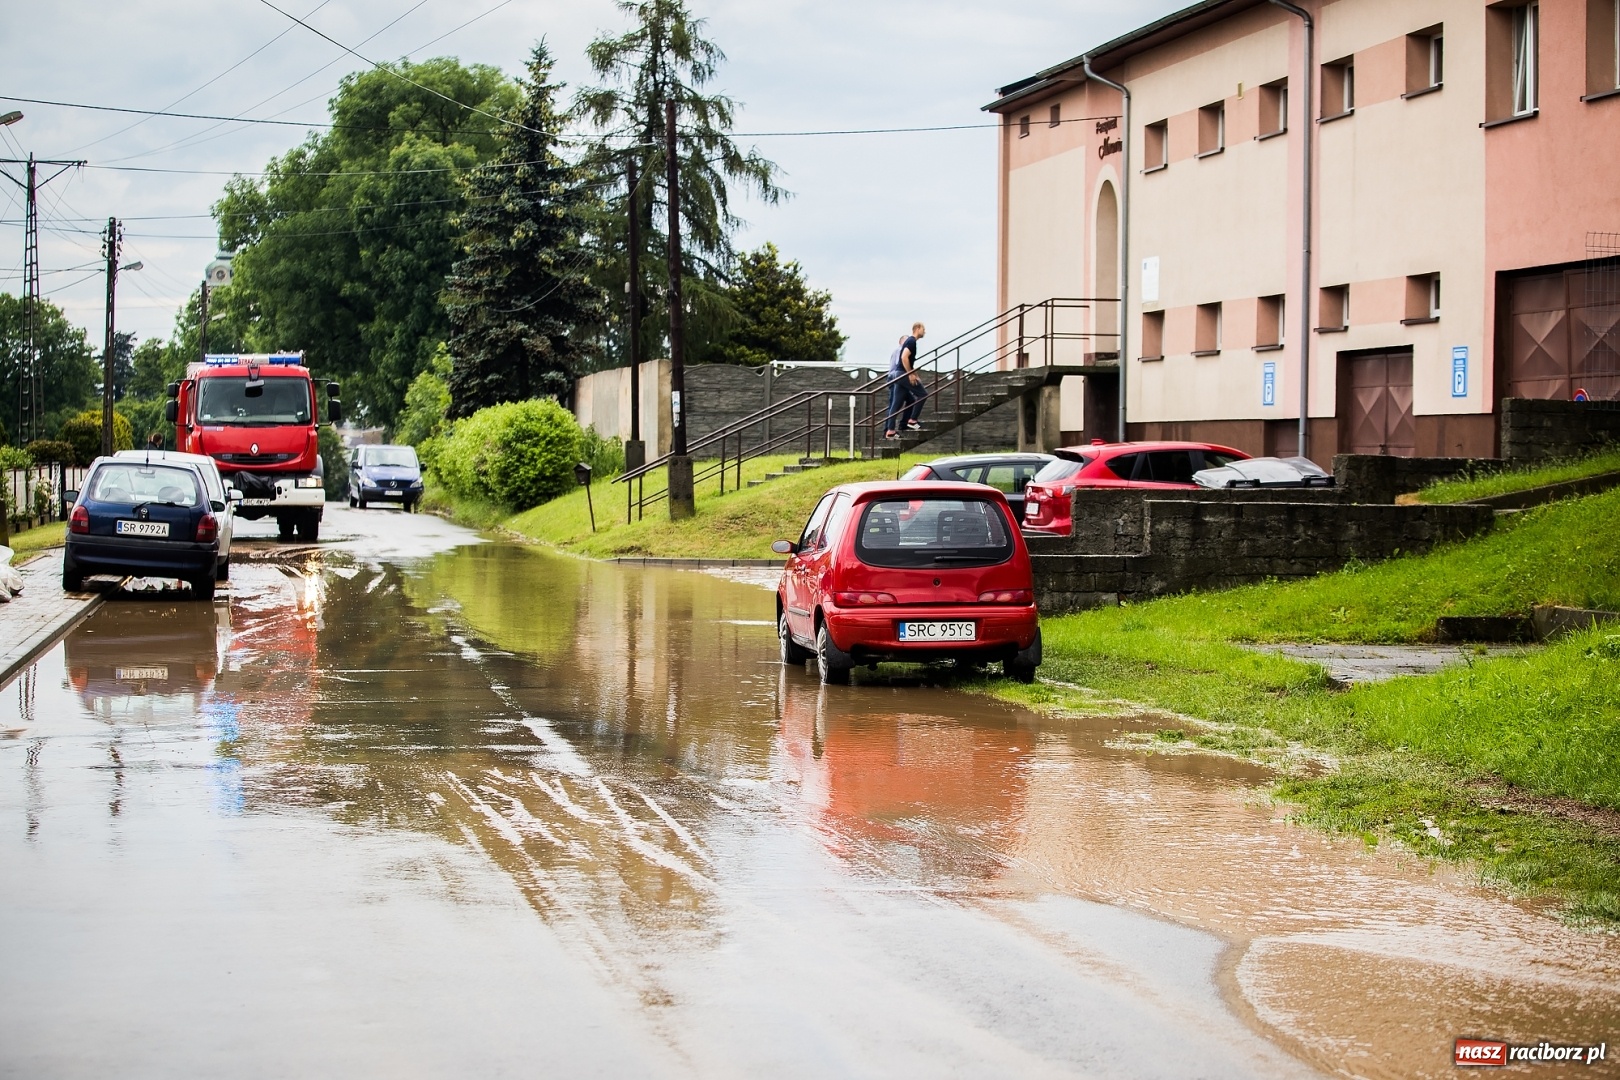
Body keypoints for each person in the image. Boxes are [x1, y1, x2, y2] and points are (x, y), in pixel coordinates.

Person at [883, 322, 927, 439]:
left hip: (899, 375)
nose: (925, 332)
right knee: (923, 394)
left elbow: (909, 362)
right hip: (903, 374)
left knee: (896, 404)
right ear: (917, 328)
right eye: (923, 329)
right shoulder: (911, 341)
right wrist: (910, 374)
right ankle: (912, 420)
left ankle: (890, 430)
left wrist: (915, 374)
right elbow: (904, 357)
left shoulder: (910, 341)